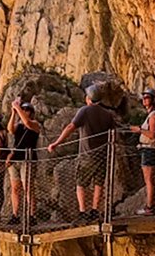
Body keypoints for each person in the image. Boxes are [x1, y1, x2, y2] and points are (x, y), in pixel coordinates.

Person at [47, 83, 120, 221]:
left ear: (89, 98)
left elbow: (70, 127)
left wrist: (56, 143)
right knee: (99, 184)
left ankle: (82, 212)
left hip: (87, 155)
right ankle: (94, 210)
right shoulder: (108, 115)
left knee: (81, 183)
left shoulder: (85, 111)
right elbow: (114, 134)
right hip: (102, 155)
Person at [7, 98, 40, 224]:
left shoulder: (35, 124)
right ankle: (15, 215)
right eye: (23, 109)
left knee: (28, 188)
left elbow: (28, 123)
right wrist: (13, 112)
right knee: (15, 188)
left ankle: (32, 215)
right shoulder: (19, 126)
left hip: (28, 159)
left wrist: (17, 107)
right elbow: (10, 129)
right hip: (16, 159)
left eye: (26, 110)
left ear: (31, 112)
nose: (24, 111)